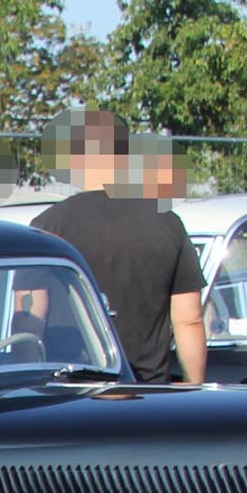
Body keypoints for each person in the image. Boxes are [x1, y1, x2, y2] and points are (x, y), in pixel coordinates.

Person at [31, 109, 206, 383]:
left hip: (70, 395)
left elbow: (29, 321)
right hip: (148, 395)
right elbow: (189, 319)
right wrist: (194, 387)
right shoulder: (168, 223)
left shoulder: (49, 225)